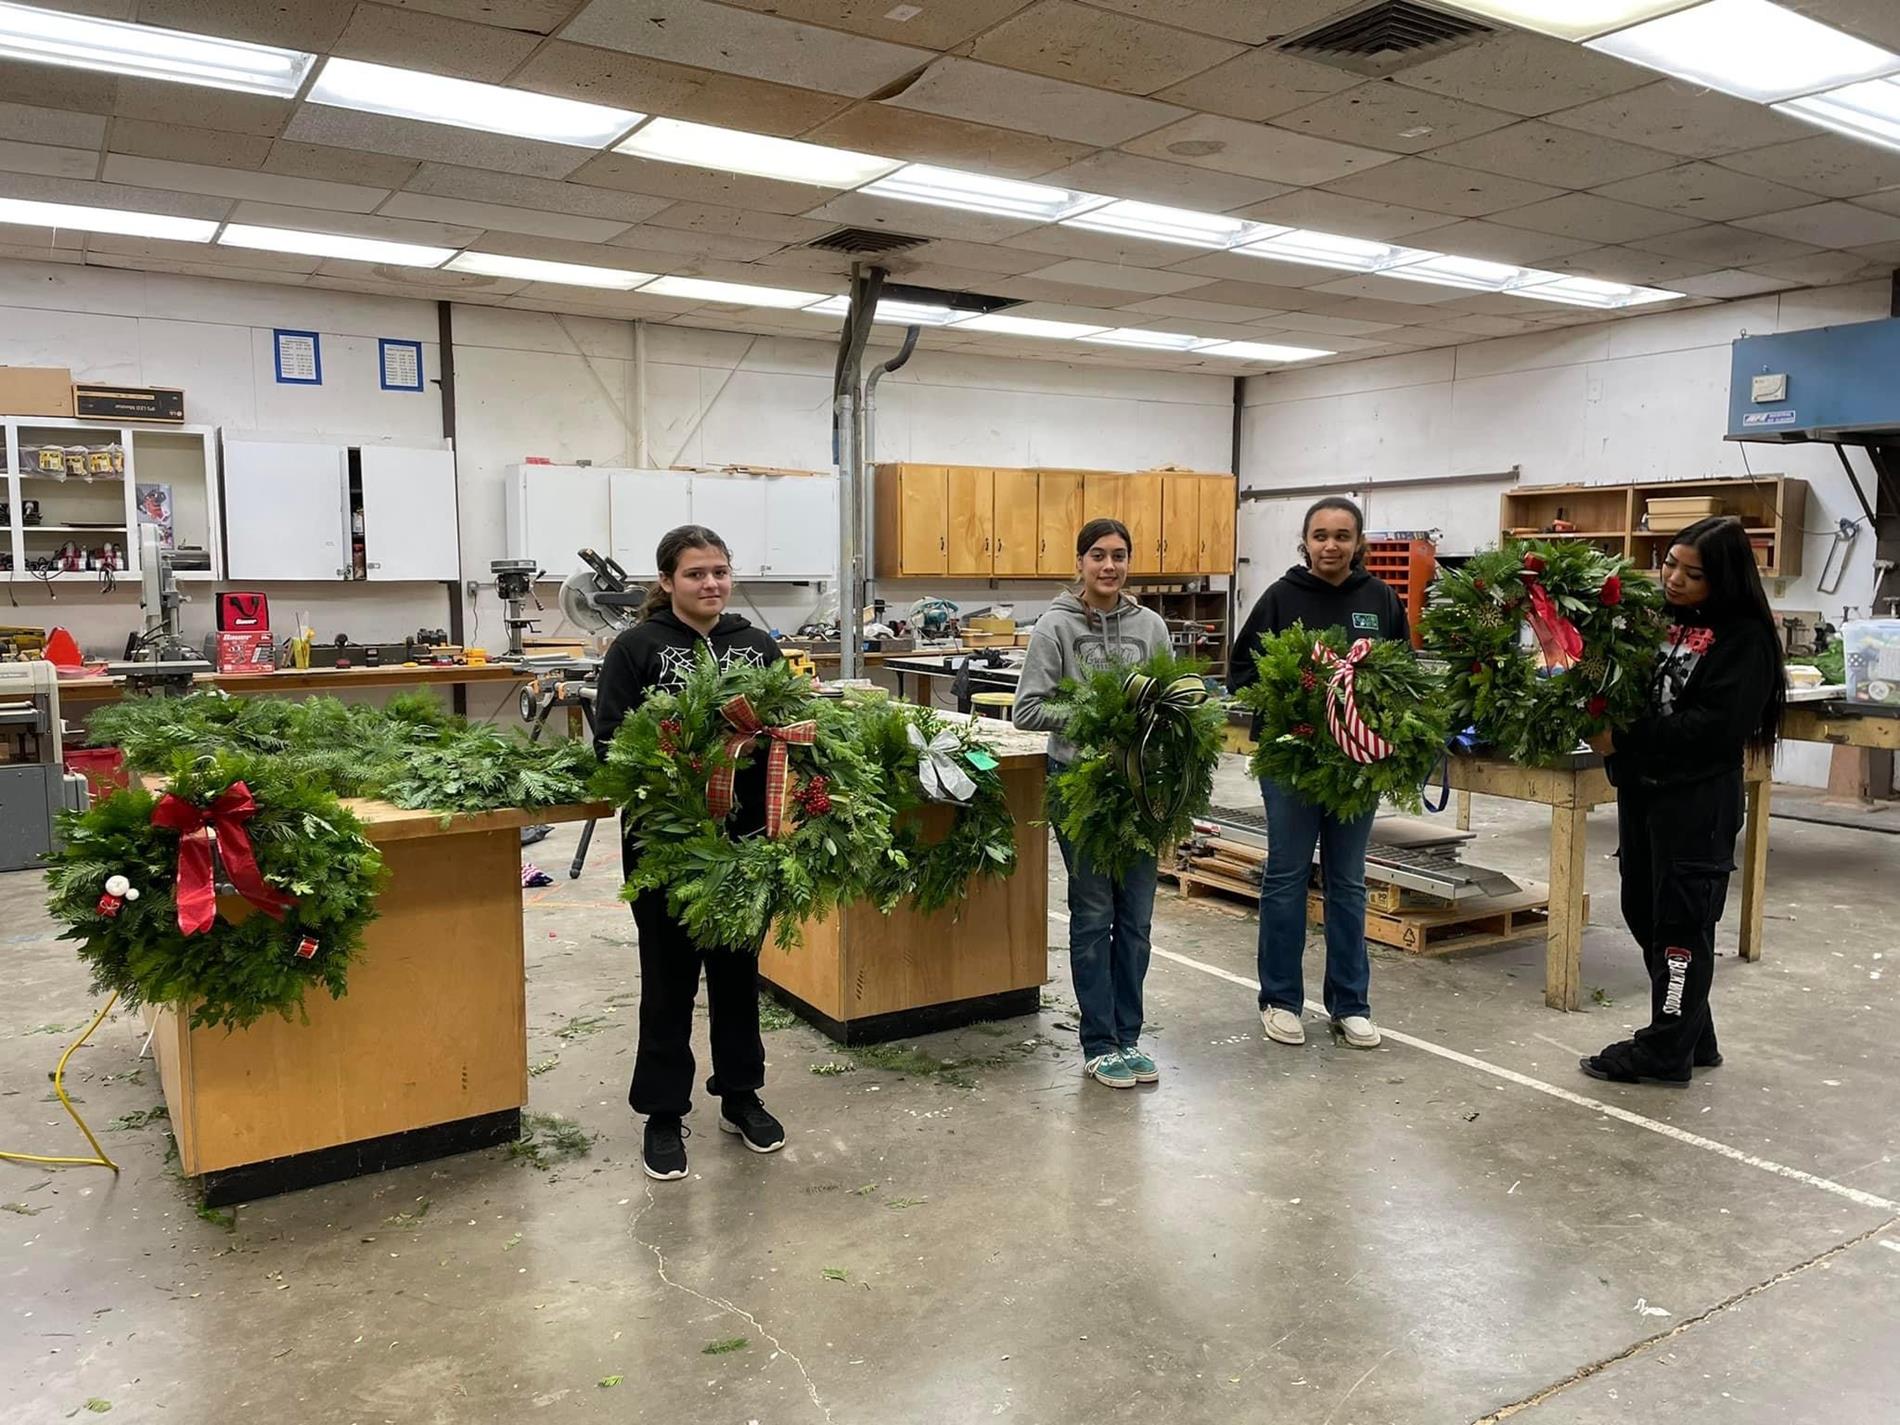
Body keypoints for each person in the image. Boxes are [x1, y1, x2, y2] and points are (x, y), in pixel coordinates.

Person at [593, 524, 788, 1180]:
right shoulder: (635, 648)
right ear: (668, 581)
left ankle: (741, 1095)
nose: (711, 583)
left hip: (744, 840)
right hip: (665, 844)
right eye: (696, 573)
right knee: (669, 978)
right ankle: (662, 1112)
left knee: (738, 973)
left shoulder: (758, 646)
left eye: (720, 572)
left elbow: (788, 728)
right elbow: (610, 744)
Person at [1581, 517, 1785, 1087]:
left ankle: (1665, 1053)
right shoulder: (1657, 621)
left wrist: (1624, 739)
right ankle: (1695, 1036)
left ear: (1723, 579)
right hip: (1643, 794)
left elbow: (1712, 729)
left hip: (1696, 803)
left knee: (1681, 926)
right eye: (1669, 563)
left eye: (1692, 574)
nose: (1674, 579)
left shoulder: (1745, 640)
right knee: (1645, 913)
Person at [1229, 496, 1410, 1052]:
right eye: (1320, 535)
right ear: (1304, 542)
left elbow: (1403, 672)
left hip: (1357, 764)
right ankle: (1280, 1000)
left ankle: (1350, 1004)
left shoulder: (1379, 598)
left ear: (1359, 543)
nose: (1331, 545)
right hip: (1293, 762)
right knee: (1286, 876)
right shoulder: (1281, 597)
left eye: (1342, 535)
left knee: (1348, 882)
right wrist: (1290, 705)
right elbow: (1241, 674)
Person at [1013, 518, 1173, 1090]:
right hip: (1079, 783)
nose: (1110, 566)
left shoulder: (1151, 627)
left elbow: (1170, 701)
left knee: (1137, 919)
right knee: (1094, 914)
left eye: (1120, 556)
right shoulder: (1053, 627)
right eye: (1099, 556)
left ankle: (1130, 1037)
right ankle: (1099, 1041)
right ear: (1080, 562)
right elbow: (1027, 710)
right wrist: (1097, 717)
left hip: (1142, 789)